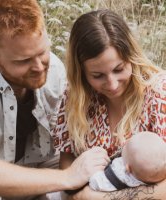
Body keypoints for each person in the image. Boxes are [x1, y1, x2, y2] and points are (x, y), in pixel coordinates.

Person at [0, 1, 110, 200]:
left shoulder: (55, 70)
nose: (39, 67)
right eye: (23, 61)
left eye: (42, 52)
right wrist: (68, 177)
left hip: (37, 171)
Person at [52, 9, 166, 200]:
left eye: (119, 69)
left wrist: (98, 199)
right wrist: (76, 194)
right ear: (81, 73)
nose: (112, 84)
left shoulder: (159, 93)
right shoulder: (76, 97)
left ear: (131, 57)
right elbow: (67, 160)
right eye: (98, 76)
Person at [89, 131, 166, 191]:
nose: (125, 143)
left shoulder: (118, 173)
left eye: (126, 146)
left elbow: (95, 182)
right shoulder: (146, 177)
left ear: (127, 168)